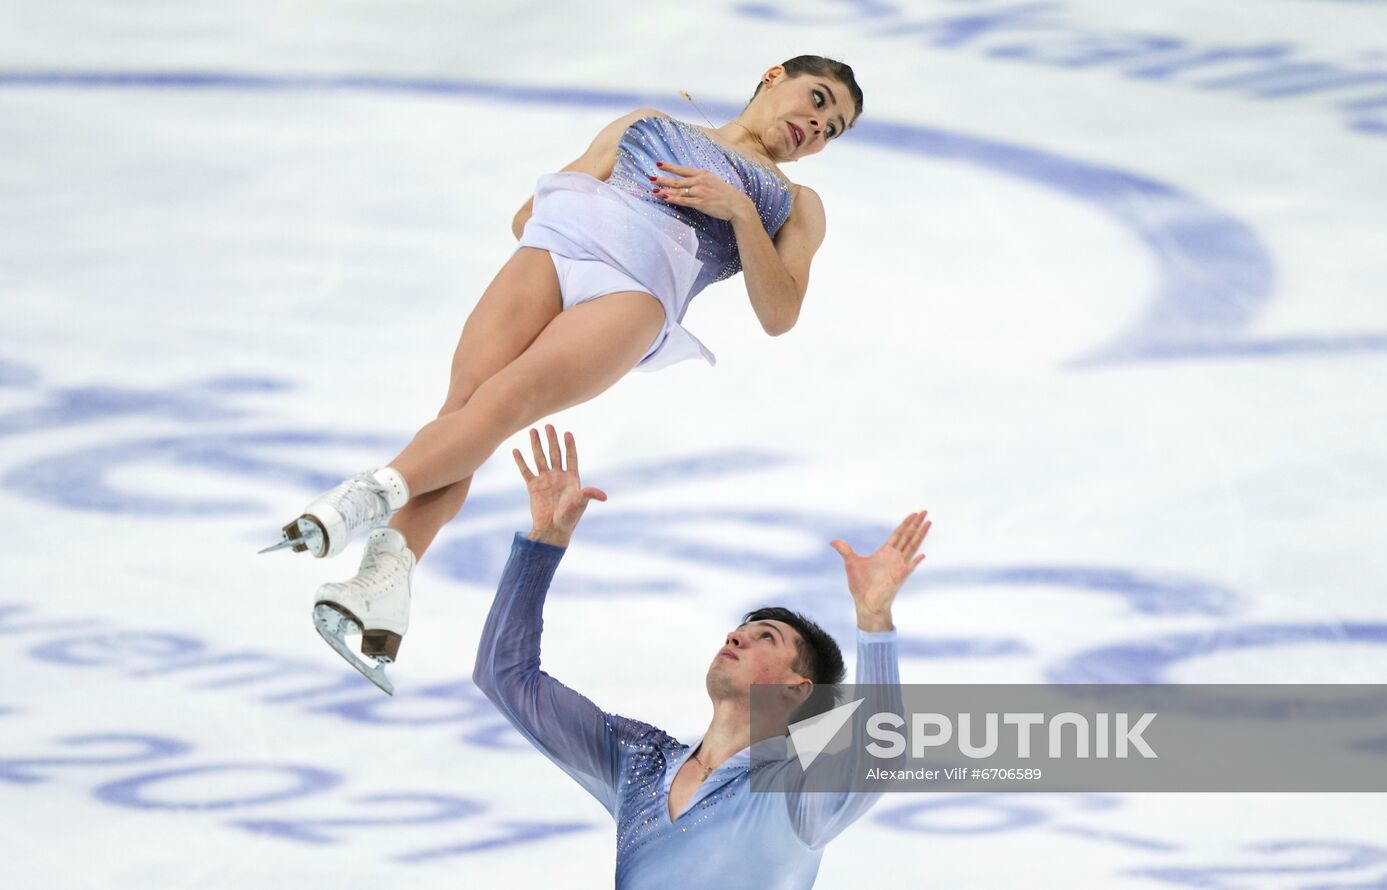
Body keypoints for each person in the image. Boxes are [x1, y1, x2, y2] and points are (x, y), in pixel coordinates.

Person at [260, 56, 864, 692]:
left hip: (632, 291)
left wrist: (739, 213)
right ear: (774, 76)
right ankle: (380, 589)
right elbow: (530, 212)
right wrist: (590, 222)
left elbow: (779, 313)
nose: (819, 125)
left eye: (834, 127)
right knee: (462, 415)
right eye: (818, 99)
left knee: (502, 404)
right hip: (555, 251)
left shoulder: (796, 203)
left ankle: (361, 499)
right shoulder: (645, 123)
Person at [474, 425, 927, 888]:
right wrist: (544, 542)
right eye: (740, 630)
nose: (735, 637)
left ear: (797, 688)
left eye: (765, 637)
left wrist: (874, 621)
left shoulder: (793, 793)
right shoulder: (638, 763)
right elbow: (503, 676)